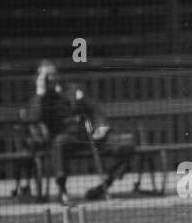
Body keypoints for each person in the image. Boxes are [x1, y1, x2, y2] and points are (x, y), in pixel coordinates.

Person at [28, 61, 133, 204]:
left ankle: (105, 185)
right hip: (65, 139)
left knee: (127, 144)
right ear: (39, 78)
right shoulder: (41, 98)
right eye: (46, 75)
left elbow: (94, 109)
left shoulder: (72, 89)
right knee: (59, 142)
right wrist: (40, 91)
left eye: (53, 73)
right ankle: (63, 191)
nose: (51, 78)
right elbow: (34, 117)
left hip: (89, 136)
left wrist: (101, 126)